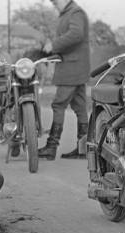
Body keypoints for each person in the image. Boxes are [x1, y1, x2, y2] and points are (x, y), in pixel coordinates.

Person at [38, 0, 91, 160]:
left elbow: (76, 34)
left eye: (55, 2)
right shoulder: (70, 13)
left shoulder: (75, 12)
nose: (54, 4)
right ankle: (84, 150)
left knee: (58, 104)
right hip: (75, 67)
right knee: (80, 108)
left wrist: (53, 45)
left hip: (72, 69)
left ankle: (51, 147)